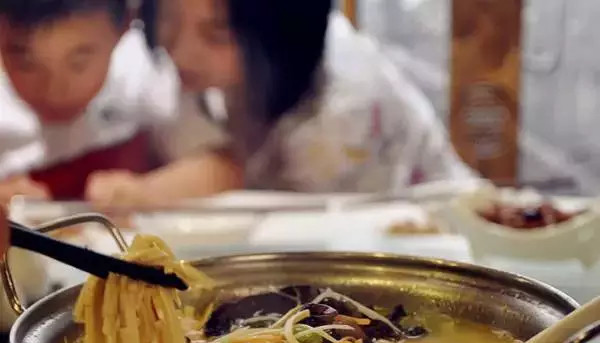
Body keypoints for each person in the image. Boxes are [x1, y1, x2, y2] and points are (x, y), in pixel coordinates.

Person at [87, 0, 472, 206]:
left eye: (217, 32)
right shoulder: (197, 69)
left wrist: (152, 191)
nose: (181, 52)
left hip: (439, 231)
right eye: (168, 19)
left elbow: (321, 241)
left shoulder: (345, 112)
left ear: (282, 34)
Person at [0, 0, 240, 208]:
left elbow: (225, 167)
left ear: (124, 27)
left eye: (79, 62)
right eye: (26, 64)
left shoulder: (146, 76)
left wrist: (145, 191)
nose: (54, 91)